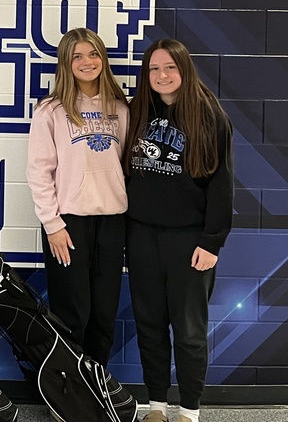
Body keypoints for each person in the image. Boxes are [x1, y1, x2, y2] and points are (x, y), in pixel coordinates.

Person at [123, 39, 234, 422]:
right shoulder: (136, 111)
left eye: (169, 67)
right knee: (149, 325)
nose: (162, 75)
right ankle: (156, 405)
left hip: (189, 240)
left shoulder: (210, 118)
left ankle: (189, 410)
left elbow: (221, 186)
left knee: (188, 331)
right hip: (141, 235)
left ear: (184, 70)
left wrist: (212, 241)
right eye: (153, 69)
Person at [26, 27, 129, 367]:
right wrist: (52, 225)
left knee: (103, 315)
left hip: (113, 222)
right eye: (78, 56)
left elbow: (126, 163)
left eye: (94, 54)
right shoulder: (50, 110)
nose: (87, 62)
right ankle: (68, 394)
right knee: (73, 315)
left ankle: (95, 391)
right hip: (68, 225)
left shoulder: (120, 108)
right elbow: (39, 171)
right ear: (66, 64)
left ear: (103, 58)